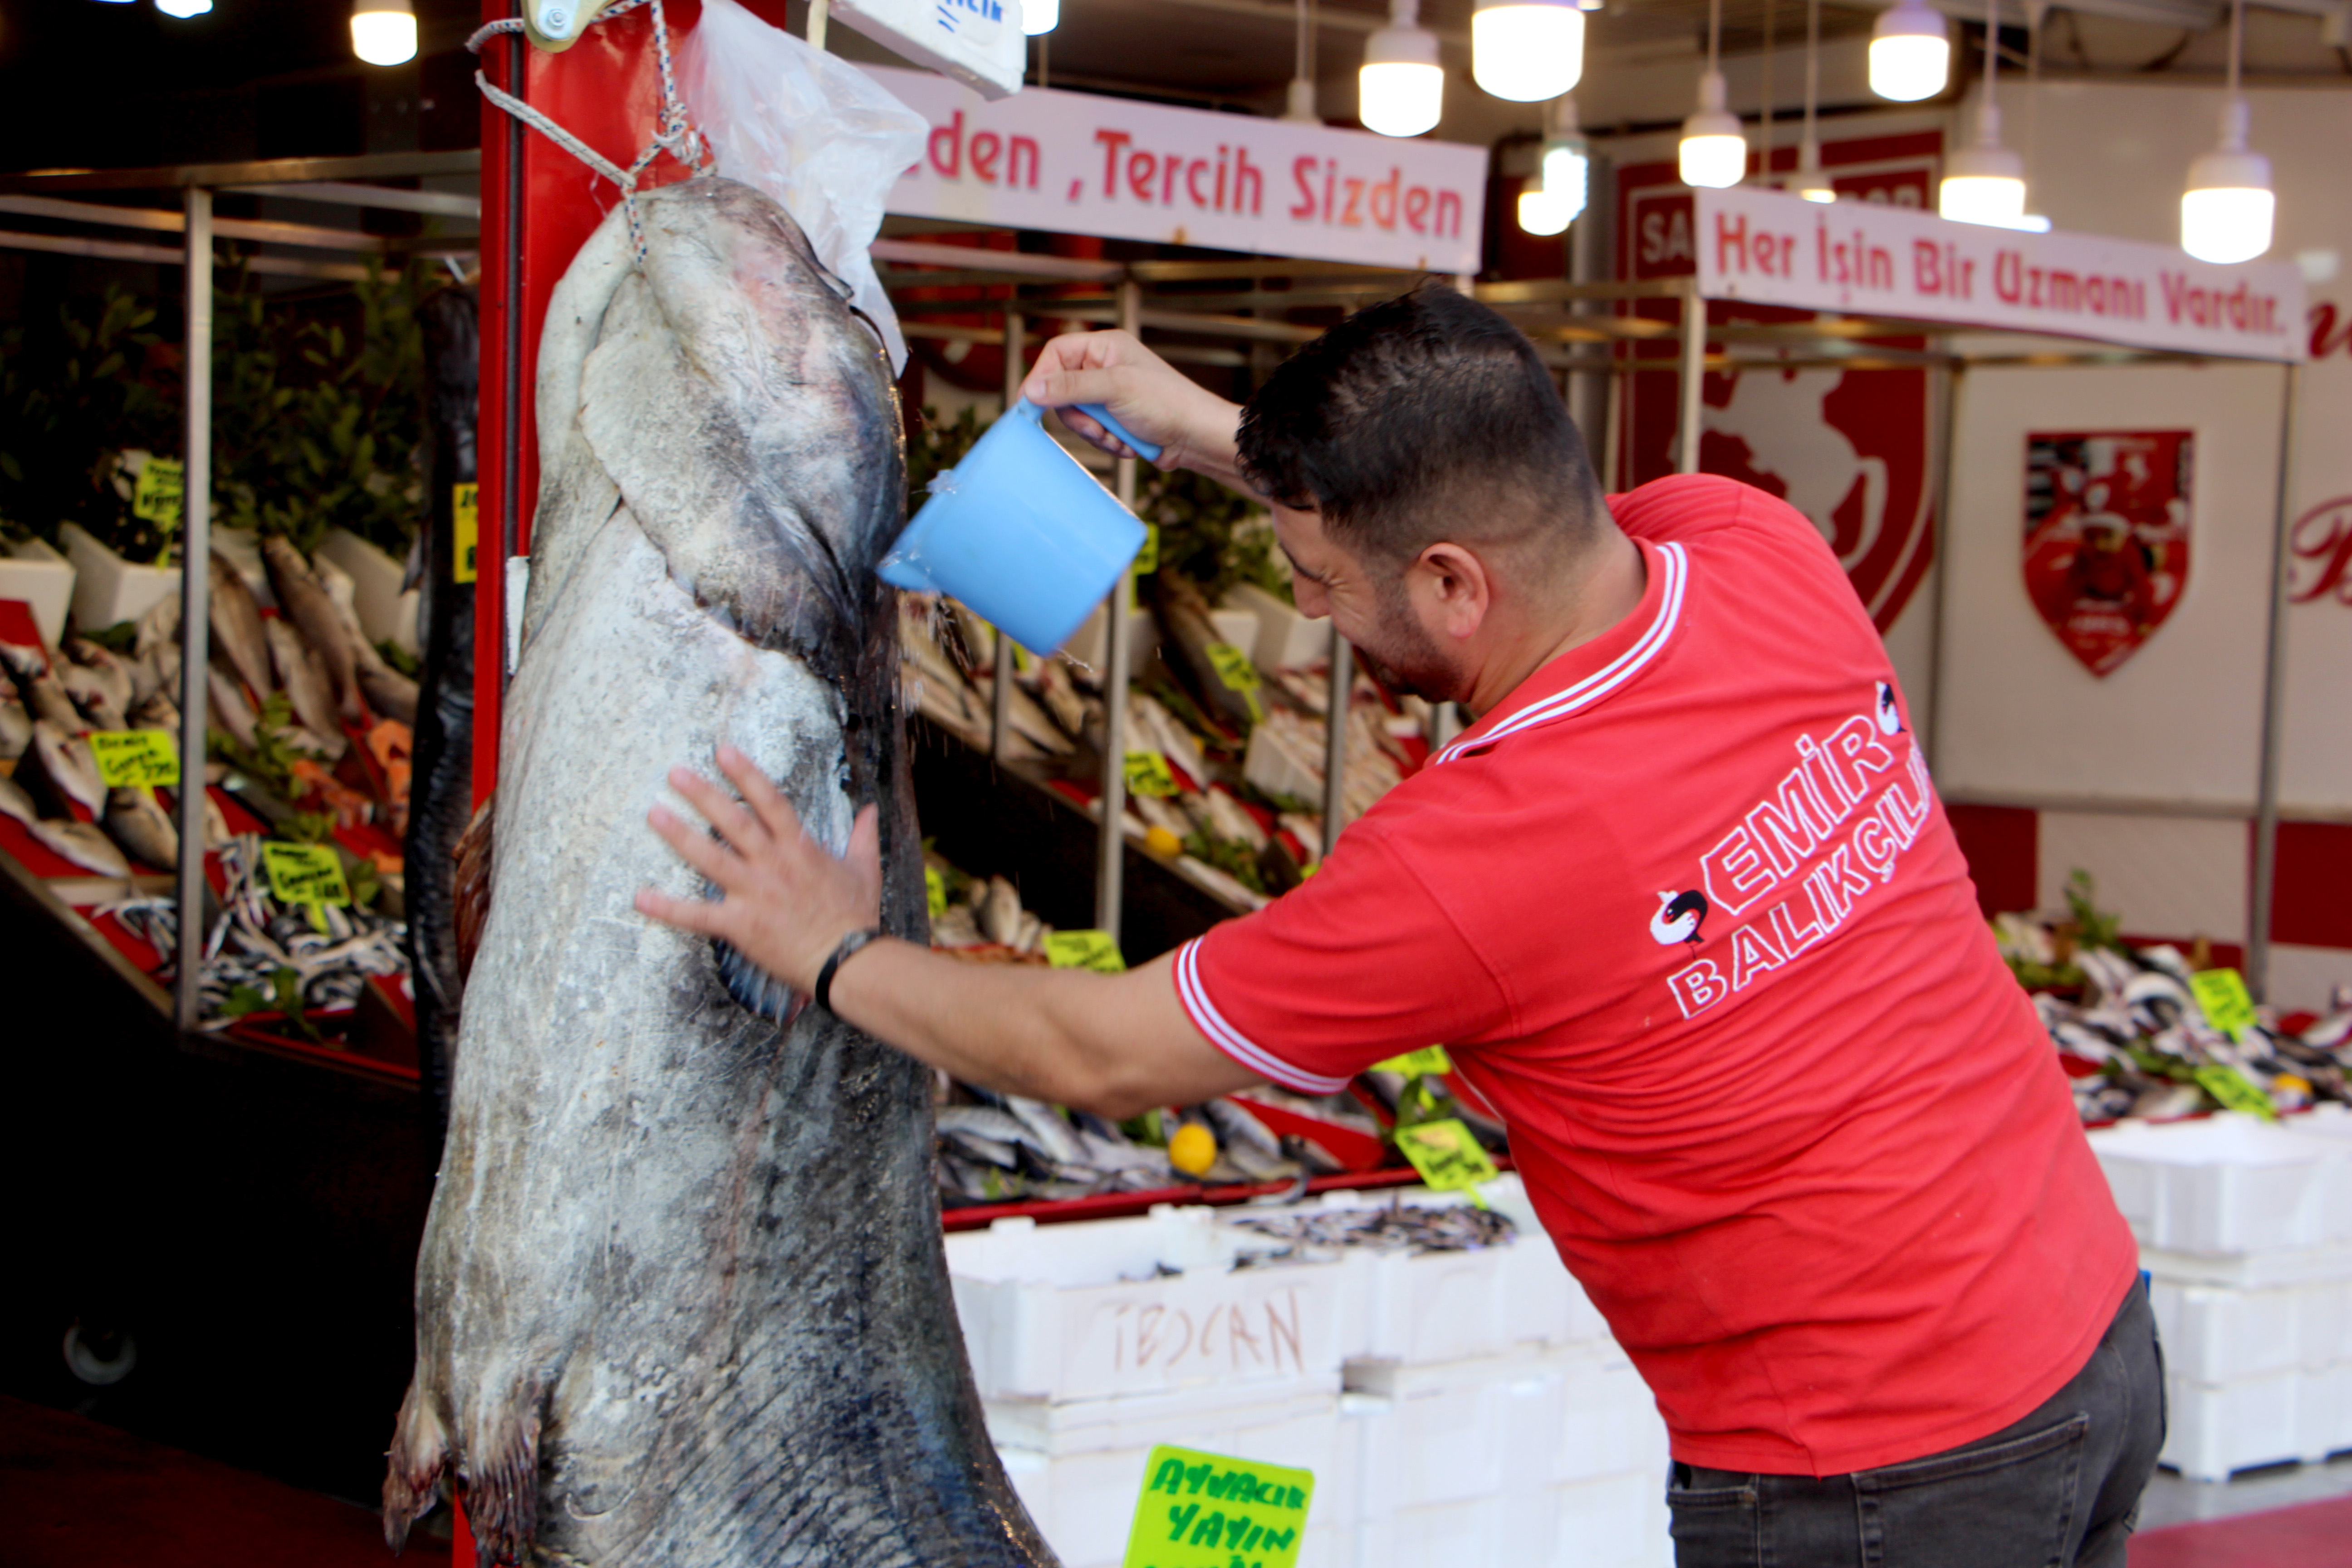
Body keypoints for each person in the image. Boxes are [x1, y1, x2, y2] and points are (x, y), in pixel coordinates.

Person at [635, 287, 2161, 1568]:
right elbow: (1477, 514)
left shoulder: (1483, 856)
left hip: (1881, 1475)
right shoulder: (1752, 552)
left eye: (1314, 582)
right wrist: (1192, 419)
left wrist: (832, 948)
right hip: (2089, 1329)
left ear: (1447, 585)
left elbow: (1095, 1050)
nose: (1310, 617)